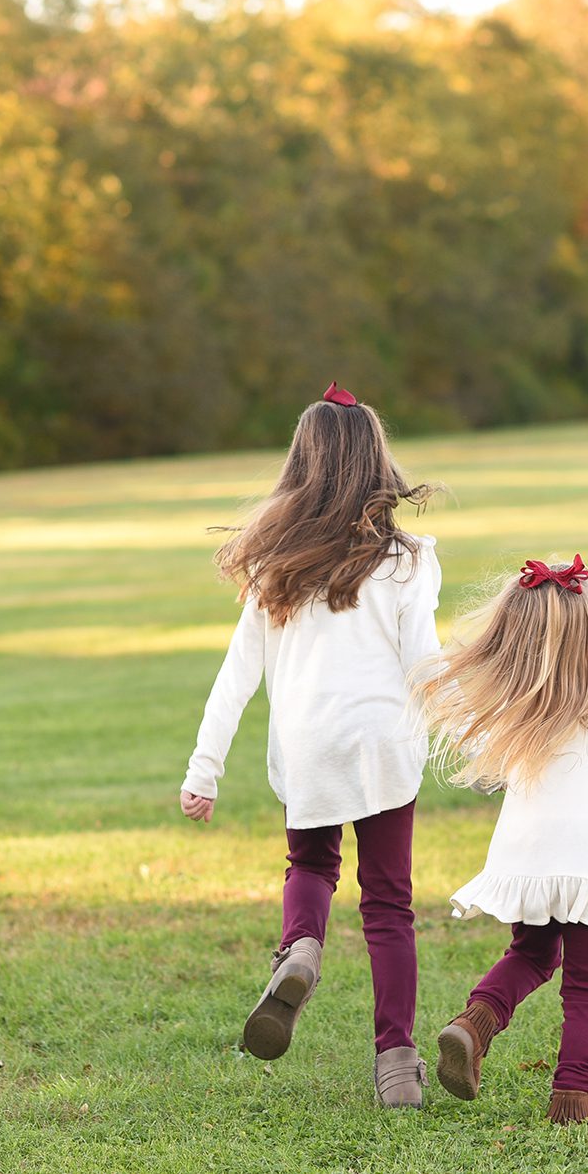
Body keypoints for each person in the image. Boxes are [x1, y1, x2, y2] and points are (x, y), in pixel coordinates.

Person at [178, 381, 441, 1108]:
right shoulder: (407, 559)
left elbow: (236, 676)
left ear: (302, 464)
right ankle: (396, 1064)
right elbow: (426, 665)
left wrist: (205, 769)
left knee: (313, 864)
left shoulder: (274, 562)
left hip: (309, 742)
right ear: (376, 462)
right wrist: (477, 742)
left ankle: (300, 948)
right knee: (388, 905)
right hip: (383, 742)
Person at [414, 554, 588, 1124]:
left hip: (531, 858)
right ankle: (572, 1098)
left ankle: (474, 1024)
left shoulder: (521, 702)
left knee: (532, 953)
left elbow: (477, 760)